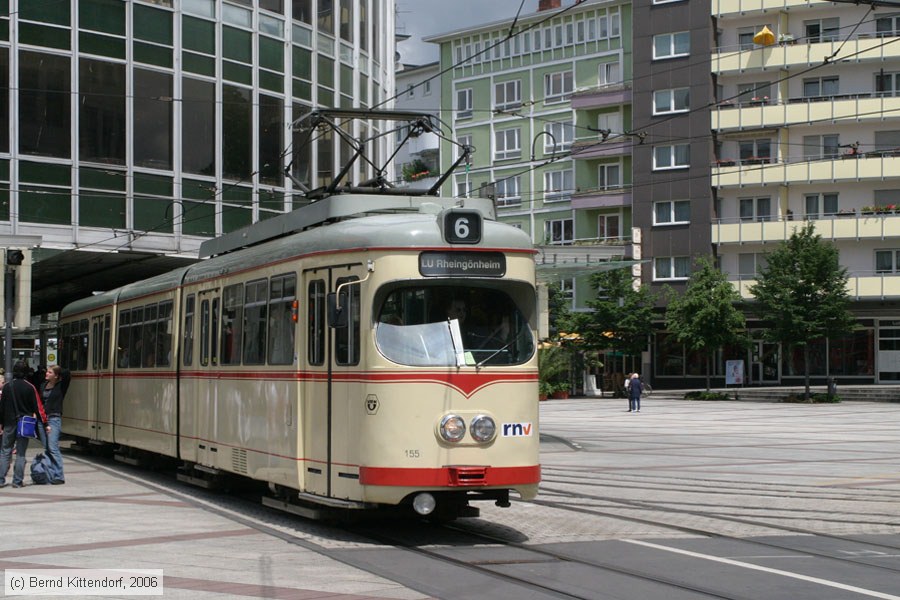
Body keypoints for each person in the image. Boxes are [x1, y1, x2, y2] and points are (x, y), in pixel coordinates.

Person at [0, 360, 49, 488]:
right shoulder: (30, 387)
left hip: (9, 423)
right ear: (27, 372)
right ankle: (17, 481)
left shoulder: (7, 387)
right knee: (21, 453)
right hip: (24, 424)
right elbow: (38, 408)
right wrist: (45, 423)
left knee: (5, 451)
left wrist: (1, 423)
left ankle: (0, 479)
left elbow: (2, 407)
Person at [40, 365, 71, 484]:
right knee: (47, 447)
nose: (46, 374)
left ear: (56, 375)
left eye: (49, 372)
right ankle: (50, 473)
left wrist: (57, 368)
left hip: (54, 418)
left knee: (53, 447)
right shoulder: (43, 385)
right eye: (46, 371)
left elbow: (67, 373)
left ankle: (59, 475)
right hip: (43, 419)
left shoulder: (61, 386)